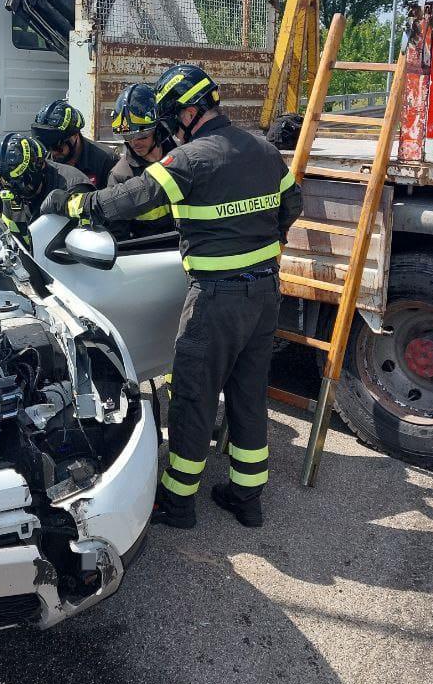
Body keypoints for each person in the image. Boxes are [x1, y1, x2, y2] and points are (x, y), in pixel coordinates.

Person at [41, 63, 301, 529]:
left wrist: (74, 203)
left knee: (194, 398)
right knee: (247, 393)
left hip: (216, 298)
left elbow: (127, 200)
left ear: (186, 111)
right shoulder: (264, 149)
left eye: (168, 115)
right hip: (265, 292)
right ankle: (247, 498)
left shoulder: (190, 160)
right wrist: (258, 245)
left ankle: (178, 502)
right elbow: (292, 206)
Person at [0, 132, 88, 249]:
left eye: (21, 183)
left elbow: (86, 246)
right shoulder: (10, 190)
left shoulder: (74, 188)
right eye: (5, 184)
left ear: (40, 166)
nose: (13, 192)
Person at [105, 83, 176, 239]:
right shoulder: (120, 176)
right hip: (148, 256)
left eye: (142, 135)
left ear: (158, 130)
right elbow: (119, 236)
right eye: (128, 137)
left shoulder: (181, 159)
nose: (134, 143)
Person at [31, 99, 117, 188]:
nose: (52, 153)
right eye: (46, 146)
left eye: (56, 146)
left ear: (75, 135)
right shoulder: (43, 160)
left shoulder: (106, 160)